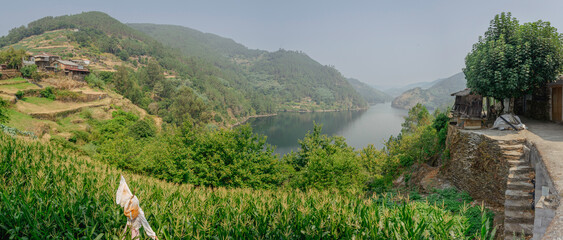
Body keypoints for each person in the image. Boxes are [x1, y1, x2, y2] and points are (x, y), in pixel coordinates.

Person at [116, 176, 159, 240]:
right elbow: (145, 224)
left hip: (131, 232)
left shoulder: (135, 211)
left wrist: (153, 235)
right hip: (129, 231)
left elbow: (146, 225)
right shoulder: (131, 208)